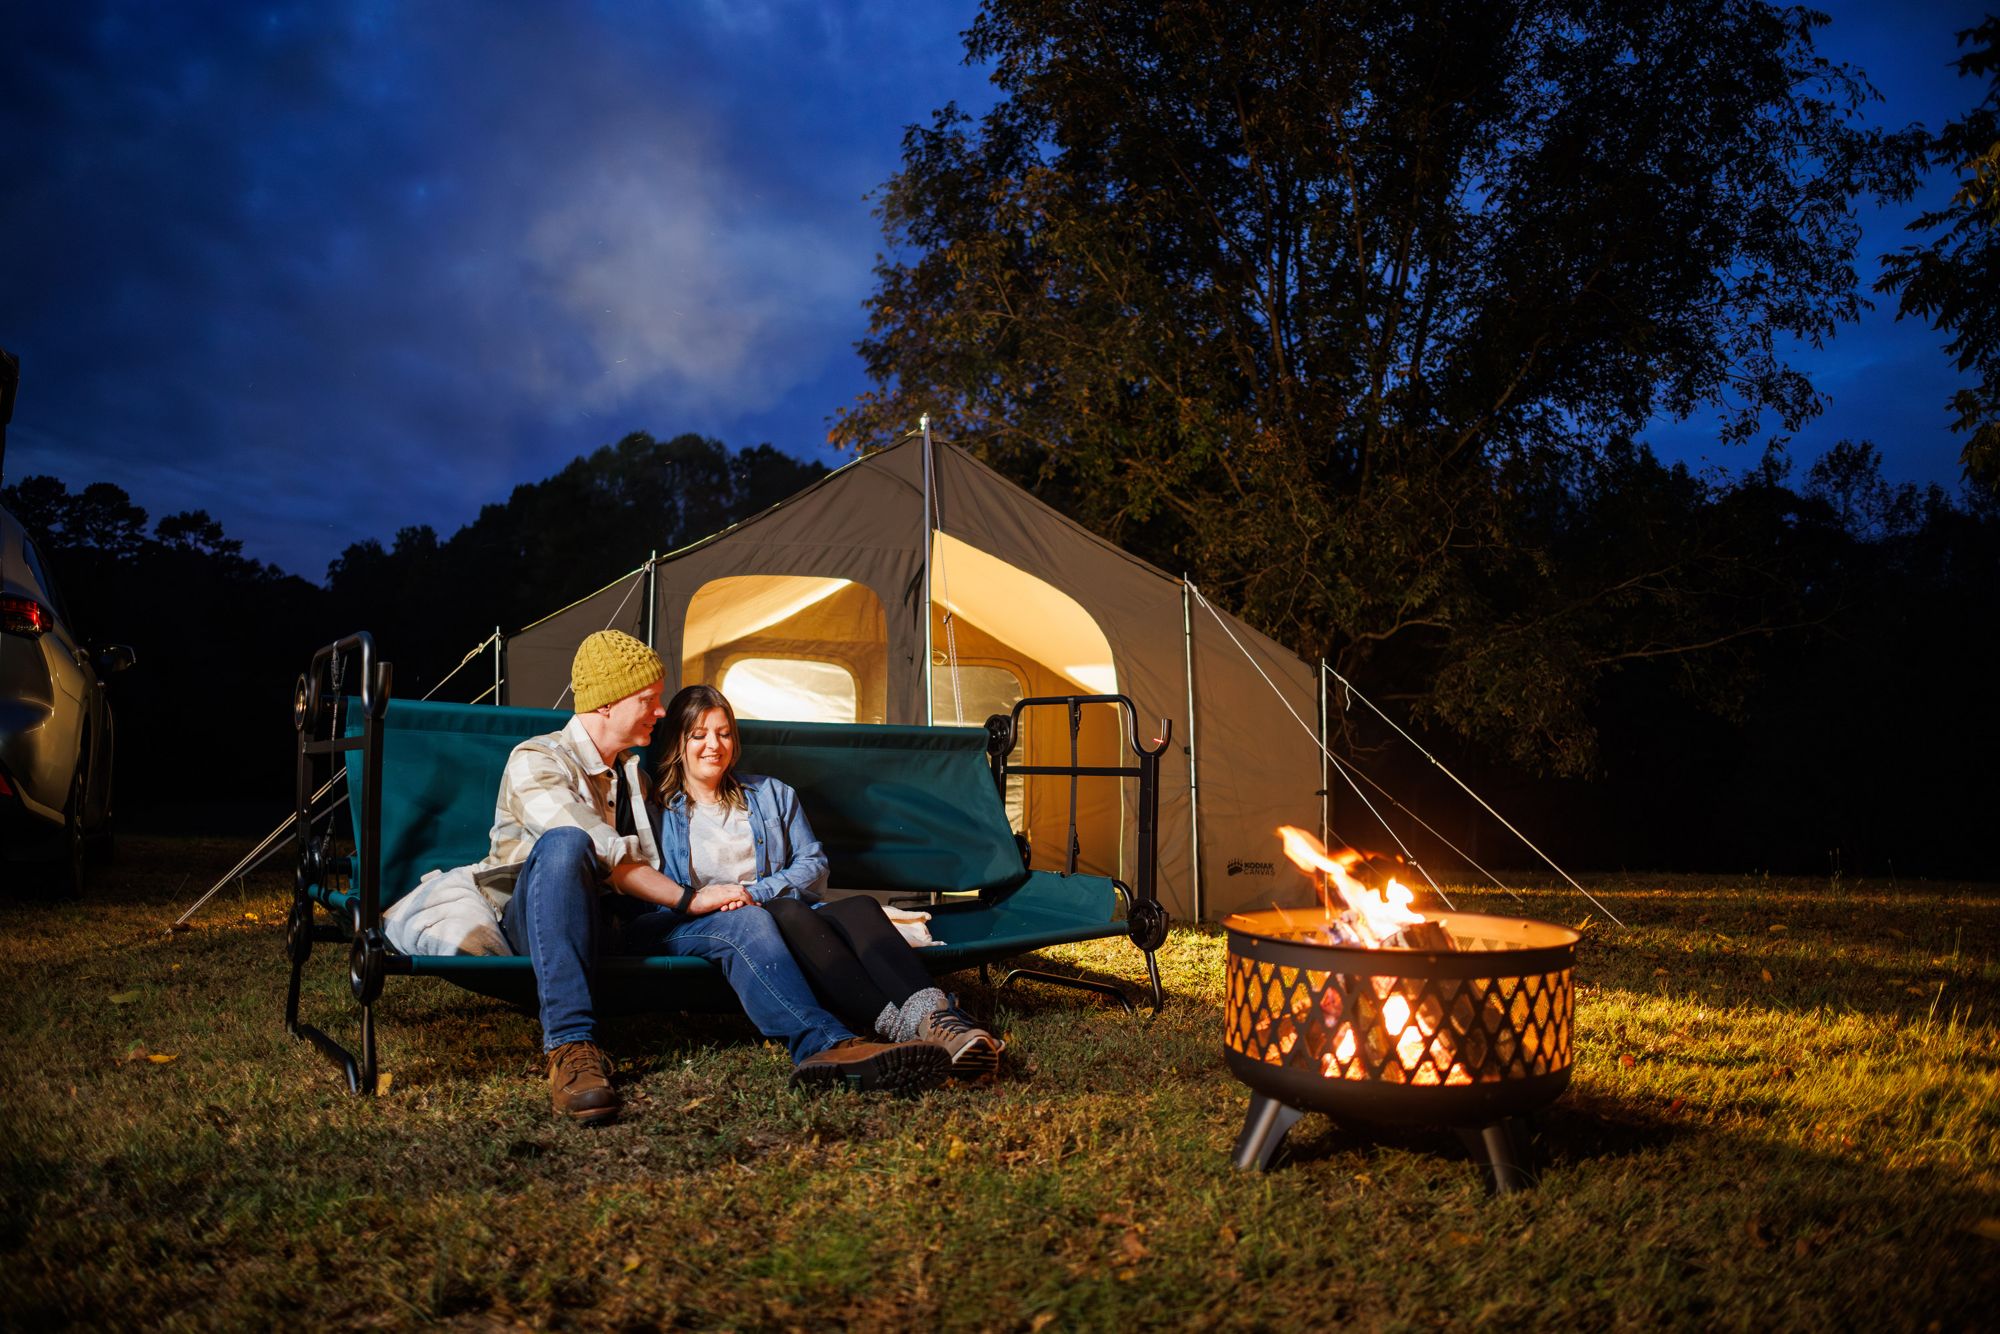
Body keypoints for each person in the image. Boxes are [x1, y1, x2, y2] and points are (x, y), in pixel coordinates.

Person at [489, 630, 950, 1125]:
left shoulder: (632, 776)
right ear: (606, 703)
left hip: (616, 925)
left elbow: (802, 865)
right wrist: (692, 899)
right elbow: (607, 854)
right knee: (566, 843)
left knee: (747, 921)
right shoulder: (537, 759)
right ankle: (571, 1048)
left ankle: (825, 1046)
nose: (660, 710)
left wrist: (727, 899)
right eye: (648, 699)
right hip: (541, 925)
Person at [652, 684, 1004, 1083]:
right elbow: (652, 890)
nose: (714, 745)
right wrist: (718, 901)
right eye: (698, 735)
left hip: (781, 908)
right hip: (711, 922)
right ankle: (915, 1030)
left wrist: (753, 893)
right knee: (786, 911)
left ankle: (939, 1022)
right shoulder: (656, 809)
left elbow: (813, 863)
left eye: (724, 733)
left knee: (859, 907)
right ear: (678, 742)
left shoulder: (771, 794)